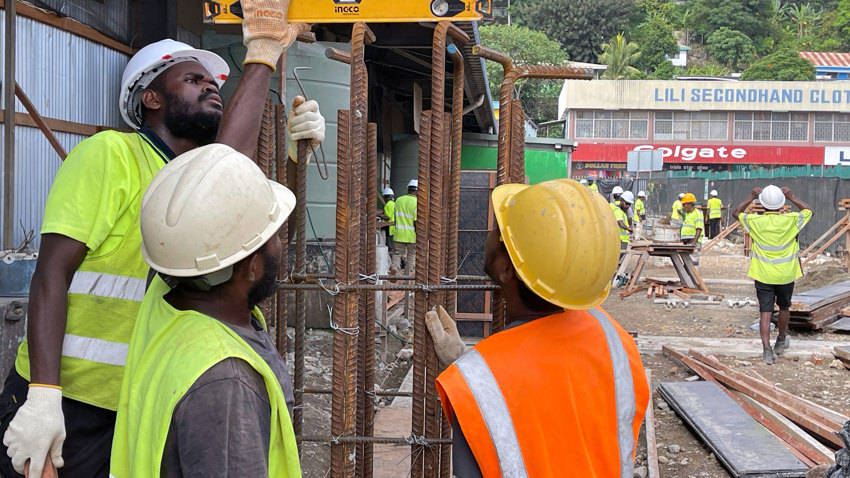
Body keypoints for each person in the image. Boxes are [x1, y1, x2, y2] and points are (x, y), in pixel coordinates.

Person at [0, 2, 325, 476]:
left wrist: (298, 165)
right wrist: (44, 396)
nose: (212, 86)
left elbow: (251, 242)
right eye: (194, 80)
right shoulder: (112, 155)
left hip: (141, 398)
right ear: (150, 98)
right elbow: (52, 273)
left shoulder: (186, 180)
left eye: (214, 82)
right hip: (70, 405)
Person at [425, 178, 649, 477]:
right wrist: (470, 361)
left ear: (506, 268)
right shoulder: (617, 342)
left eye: (499, 232)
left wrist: (476, 372)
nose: (490, 236)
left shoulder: (473, 387)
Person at [109, 144, 300, 477]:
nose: (282, 244)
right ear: (252, 269)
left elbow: (219, 233)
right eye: (276, 238)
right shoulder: (226, 382)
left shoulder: (165, 297)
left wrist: (296, 163)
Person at [732, 185, 813, 365]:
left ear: (762, 204)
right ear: (782, 204)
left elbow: (736, 213)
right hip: (785, 274)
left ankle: (766, 350)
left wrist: (750, 196)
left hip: (763, 274)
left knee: (765, 312)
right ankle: (781, 340)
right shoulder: (791, 220)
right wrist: (792, 196)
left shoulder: (755, 221)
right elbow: (809, 211)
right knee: (784, 308)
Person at [393, 180, 418, 275]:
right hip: (411, 235)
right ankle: (408, 272)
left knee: (397, 253)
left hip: (399, 233)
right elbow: (416, 221)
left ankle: (395, 267)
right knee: (411, 255)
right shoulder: (416, 202)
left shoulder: (398, 200)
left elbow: (395, 217)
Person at [382, 187, 395, 253]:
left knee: (389, 247)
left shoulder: (388, 205)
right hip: (393, 228)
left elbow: (388, 217)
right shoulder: (393, 203)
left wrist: (378, 215)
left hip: (389, 228)